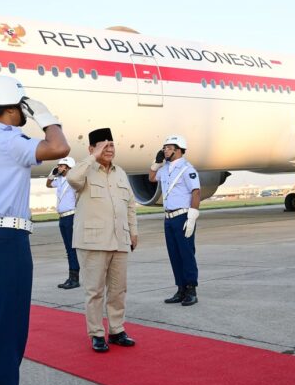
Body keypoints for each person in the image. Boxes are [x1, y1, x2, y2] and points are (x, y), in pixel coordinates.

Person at [0, 75, 69, 385]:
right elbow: (59, 148)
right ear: (11, 107)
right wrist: (47, 117)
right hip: (7, 241)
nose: (25, 112)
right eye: (23, 106)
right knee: (10, 329)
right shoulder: (10, 140)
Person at [66, 128, 138, 353]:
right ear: (92, 148)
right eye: (104, 146)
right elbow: (71, 178)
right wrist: (92, 157)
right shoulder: (84, 170)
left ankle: (116, 330)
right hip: (93, 241)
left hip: (120, 239)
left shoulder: (120, 173)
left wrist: (133, 232)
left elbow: (130, 205)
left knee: (118, 290)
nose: (109, 149)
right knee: (94, 291)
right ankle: (97, 333)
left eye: (112, 145)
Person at [149, 135, 201, 306]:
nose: (165, 150)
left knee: (186, 254)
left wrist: (192, 217)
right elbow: (151, 178)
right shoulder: (165, 169)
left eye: (169, 148)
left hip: (183, 216)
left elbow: (196, 192)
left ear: (178, 150)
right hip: (169, 218)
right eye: (164, 148)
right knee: (174, 255)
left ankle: (191, 290)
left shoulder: (187, 169)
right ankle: (181, 289)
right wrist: (156, 164)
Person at [46, 157, 80, 289]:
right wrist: (52, 174)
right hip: (62, 218)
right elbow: (48, 184)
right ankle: (71, 277)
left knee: (72, 249)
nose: (58, 167)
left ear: (68, 167)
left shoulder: (73, 181)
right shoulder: (59, 180)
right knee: (68, 249)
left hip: (71, 216)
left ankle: (74, 279)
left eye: (61, 166)